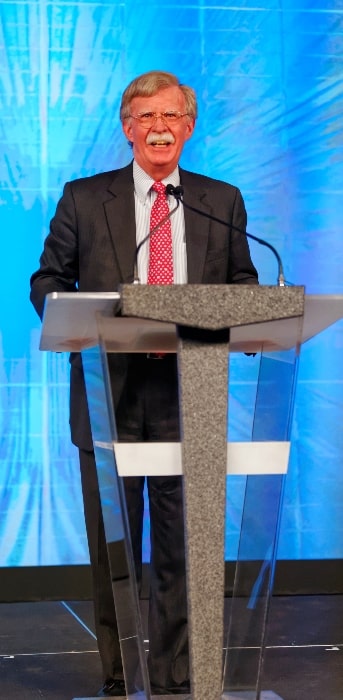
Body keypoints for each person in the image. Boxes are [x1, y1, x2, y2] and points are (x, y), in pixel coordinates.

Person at [30, 70, 258, 697]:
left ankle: (180, 673)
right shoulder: (84, 198)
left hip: (194, 387)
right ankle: (123, 672)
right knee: (116, 550)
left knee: (187, 545)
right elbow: (47, 282)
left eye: (172, 117)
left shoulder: (222, 199)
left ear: (189, 127)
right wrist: (92, 317)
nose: (159, 128)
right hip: (111, 392)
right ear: (128, 129)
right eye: (146, 117)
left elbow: (244, 286)